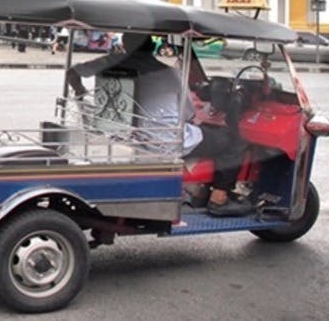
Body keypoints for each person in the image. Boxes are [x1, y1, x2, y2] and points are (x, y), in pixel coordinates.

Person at [67, 32, 251, 217]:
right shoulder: (170, 73)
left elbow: (72, 73)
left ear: (125, 45)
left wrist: (80, 93)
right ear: (152, 48)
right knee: (233, 139)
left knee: (204, 133)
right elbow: (188, 114)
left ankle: (198, 189)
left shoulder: (112, 63)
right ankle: (219, 199)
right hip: (163, 142)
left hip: (123, 135)